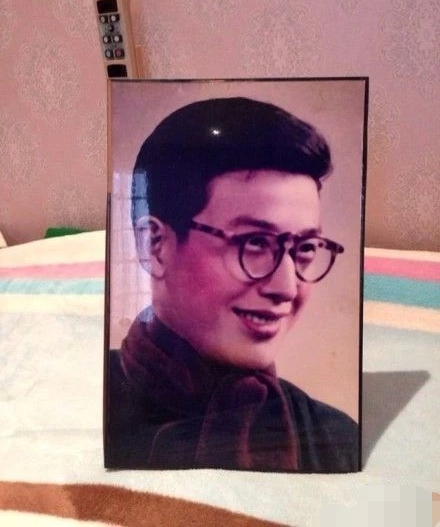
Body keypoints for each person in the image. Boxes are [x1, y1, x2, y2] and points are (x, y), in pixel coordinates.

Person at [106, 96, 359, 472]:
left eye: (305, 248)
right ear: (154, 246)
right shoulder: (90, 404)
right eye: (254, 243)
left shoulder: (337, 439)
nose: (286, 288)